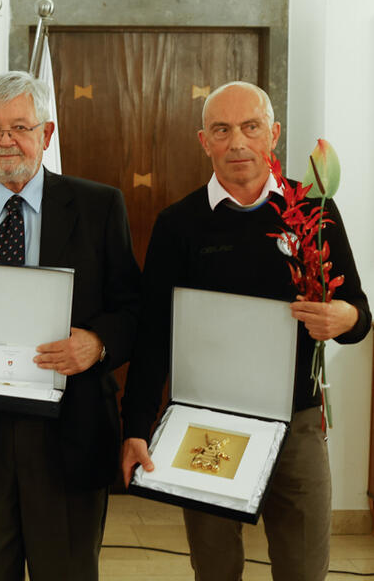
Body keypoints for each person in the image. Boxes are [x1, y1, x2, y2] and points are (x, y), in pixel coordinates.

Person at [120, 81, 371, 581]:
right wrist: (135, 429)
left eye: (250, 127)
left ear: (272, 134)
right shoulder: (179, 225)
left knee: (303, 568)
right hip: (209, 425)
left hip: (298, 422)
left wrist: (345, 319)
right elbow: (153, 338)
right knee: (215, 570)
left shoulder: (314, 211)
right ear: (204, 140)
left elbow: (358, 314)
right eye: (222, 129)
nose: (237, 142)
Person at [0, 71, 141, 581]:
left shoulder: (100, 206)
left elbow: (133, 310)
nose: (5, 140)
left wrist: (97, 344)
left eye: (19, 126)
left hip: (69, 434)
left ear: (47, 134)